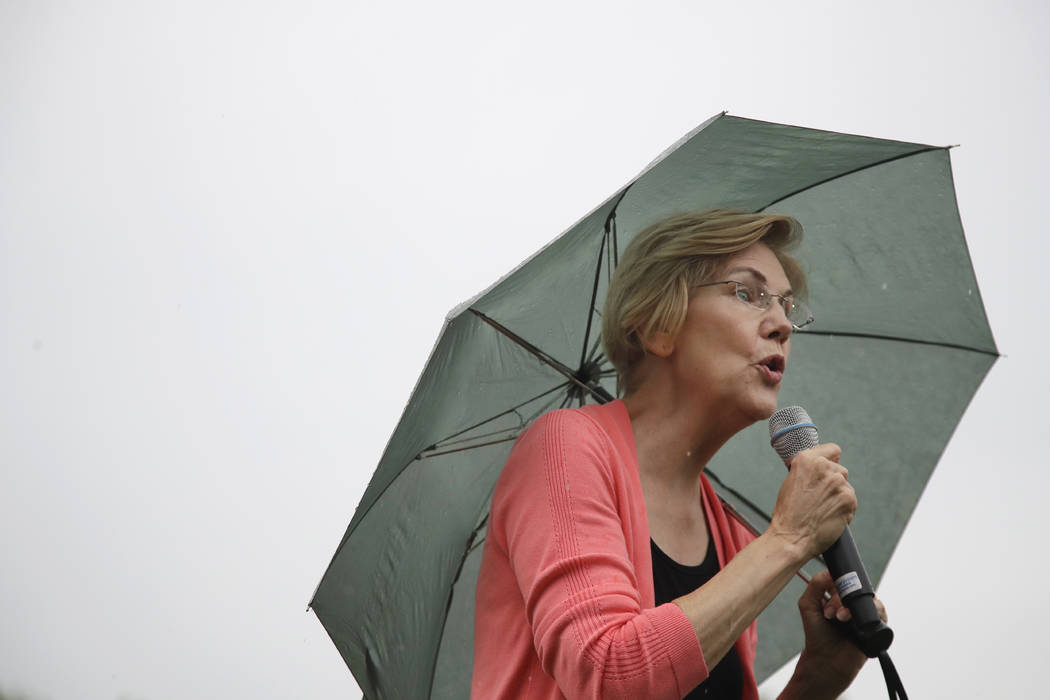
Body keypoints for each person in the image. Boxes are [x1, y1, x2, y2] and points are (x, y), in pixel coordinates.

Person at [471, 209, 885, 699]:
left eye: (787, 307)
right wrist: (789, 539)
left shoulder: (729, 532)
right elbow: (607, 676)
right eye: (748, 294)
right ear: (656, 326)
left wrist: (814, 683)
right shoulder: (563, 447)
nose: (781, 325)